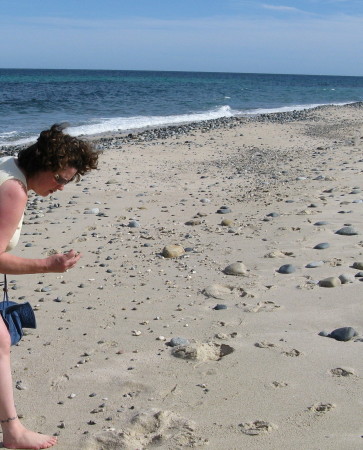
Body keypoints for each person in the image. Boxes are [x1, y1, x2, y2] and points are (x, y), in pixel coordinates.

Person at [0, 124, 100, 449]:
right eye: (60, 178)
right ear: (44, 163)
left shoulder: (6, 167)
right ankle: (13, 433)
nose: (61, 188)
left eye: (67, 182)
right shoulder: (13, 189)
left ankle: (13, 431)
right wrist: (48, 265)